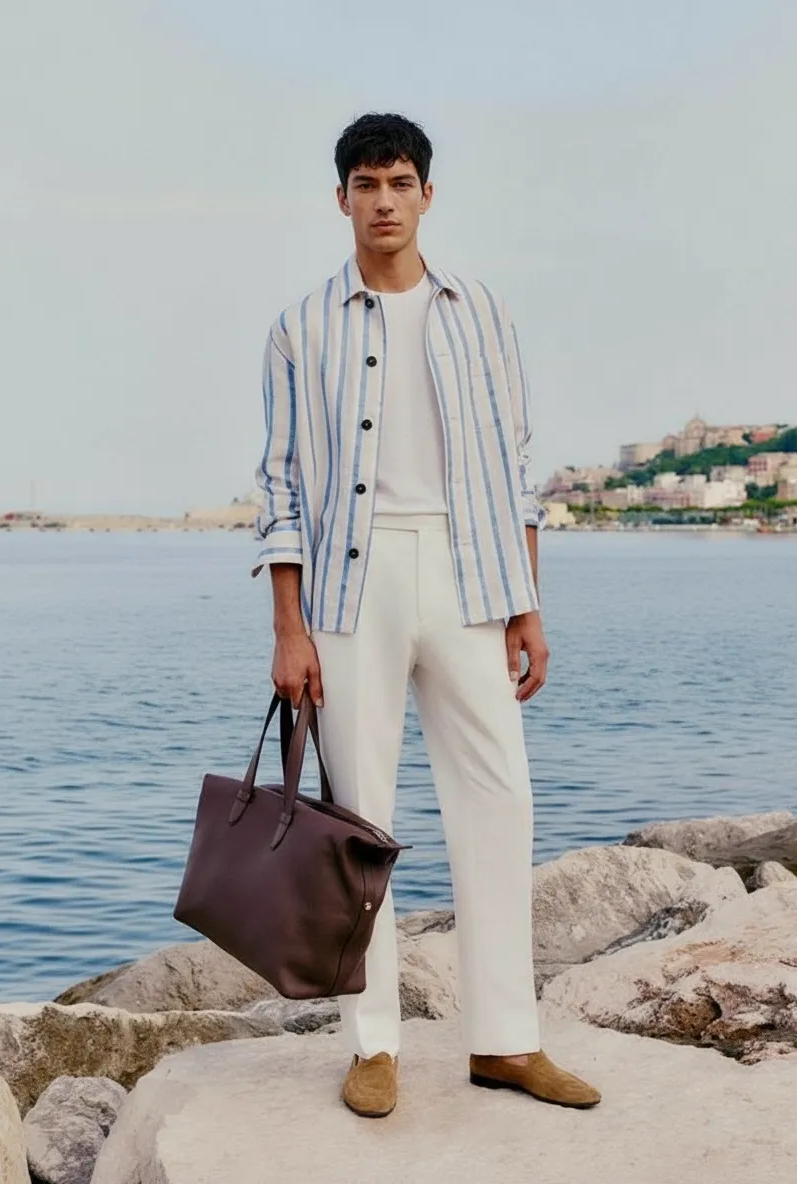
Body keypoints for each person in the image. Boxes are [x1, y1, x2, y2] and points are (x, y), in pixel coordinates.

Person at [251, 112, 601, 1118]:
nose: (385, 200)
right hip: (351, 588)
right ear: (342, 199)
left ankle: (506, 1040)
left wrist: (526, 605)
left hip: (469, 574)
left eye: (400, 182)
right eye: (367, 184)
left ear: (428, 195)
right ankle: (374, 1043)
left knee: (499, 799)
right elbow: (278, 483)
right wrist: (288, 625)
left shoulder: (481, 312)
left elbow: (514, 466)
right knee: (361, 819)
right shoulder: (300, 327)